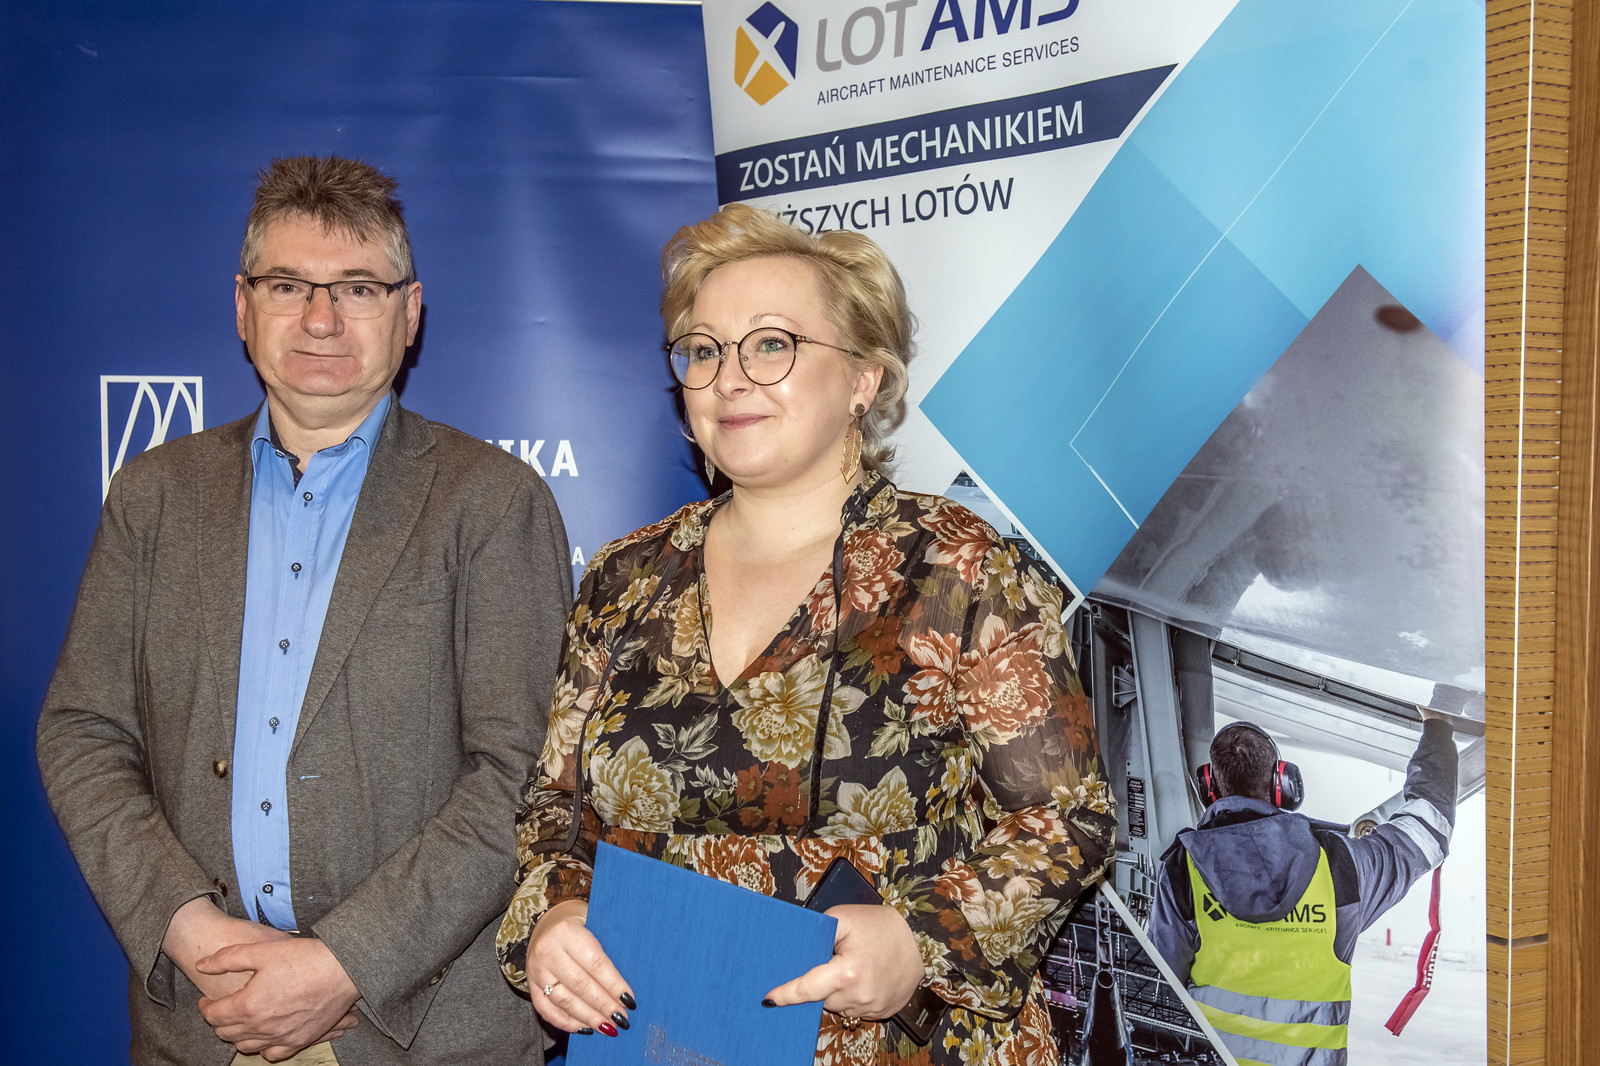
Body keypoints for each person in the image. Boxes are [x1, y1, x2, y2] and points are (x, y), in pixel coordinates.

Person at [495, 204, 1116, 1064]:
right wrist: (556, 914)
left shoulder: (956, 567)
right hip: (661, 1038)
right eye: (703, 351)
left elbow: (1066, 816)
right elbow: (555, 812)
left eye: (771, 344)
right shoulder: (624, 579)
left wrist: (921, 941)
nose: (729, 379)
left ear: (864, 378)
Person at [37, 156, 572, 1065]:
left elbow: (521, 775)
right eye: (288, 285)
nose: (321, 319)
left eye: (358, 288)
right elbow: (82, 732)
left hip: (421, 1033)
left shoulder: (492, 502)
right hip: (204, 1020)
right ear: (243, 306)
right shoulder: (153, 496)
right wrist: (188, 928)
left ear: (410, 312)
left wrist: (343, 963)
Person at [1146, 713, 1459, 1066]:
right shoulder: (1341, 866)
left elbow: (1161, 983)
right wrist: (1436, 727)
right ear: (1282, 783)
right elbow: (1428, 827)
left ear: (1209, 787)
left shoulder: (1183, 868)